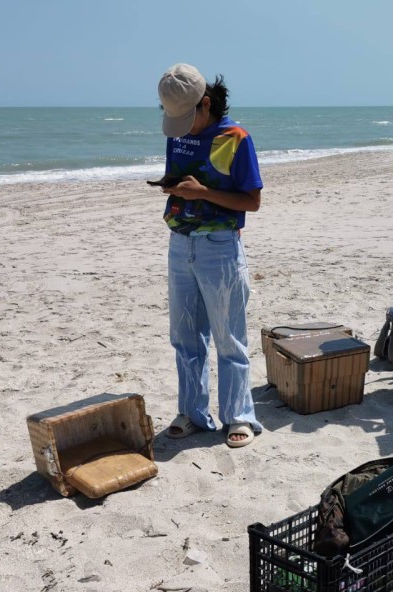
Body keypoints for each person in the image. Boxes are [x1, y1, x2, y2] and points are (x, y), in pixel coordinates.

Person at [156, 63, 263, 448]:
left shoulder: (236, 138)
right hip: (179, 242)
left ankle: (238, 415)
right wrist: (175, 188)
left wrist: (202, 193)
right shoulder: (179, 135)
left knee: (229, 337)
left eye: (187, 119)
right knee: (184, 335)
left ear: (205, 103)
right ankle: (192, 412)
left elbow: (252, 201)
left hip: (219, 246)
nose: (183, 129)